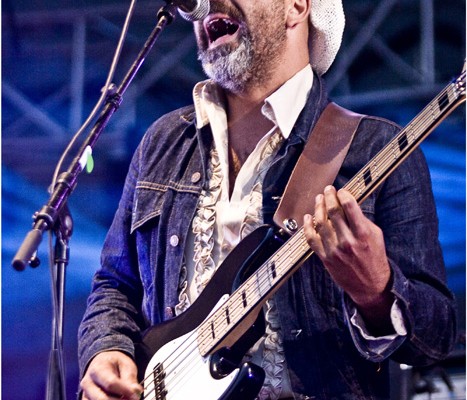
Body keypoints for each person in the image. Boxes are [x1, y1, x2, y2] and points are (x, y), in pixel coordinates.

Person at [78, 0, 458, 399]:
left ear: (297, 6)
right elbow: (115, 283)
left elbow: (436, 339)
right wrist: (106, 350)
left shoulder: (375, 149)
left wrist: (377, 292)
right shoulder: (163, 143)